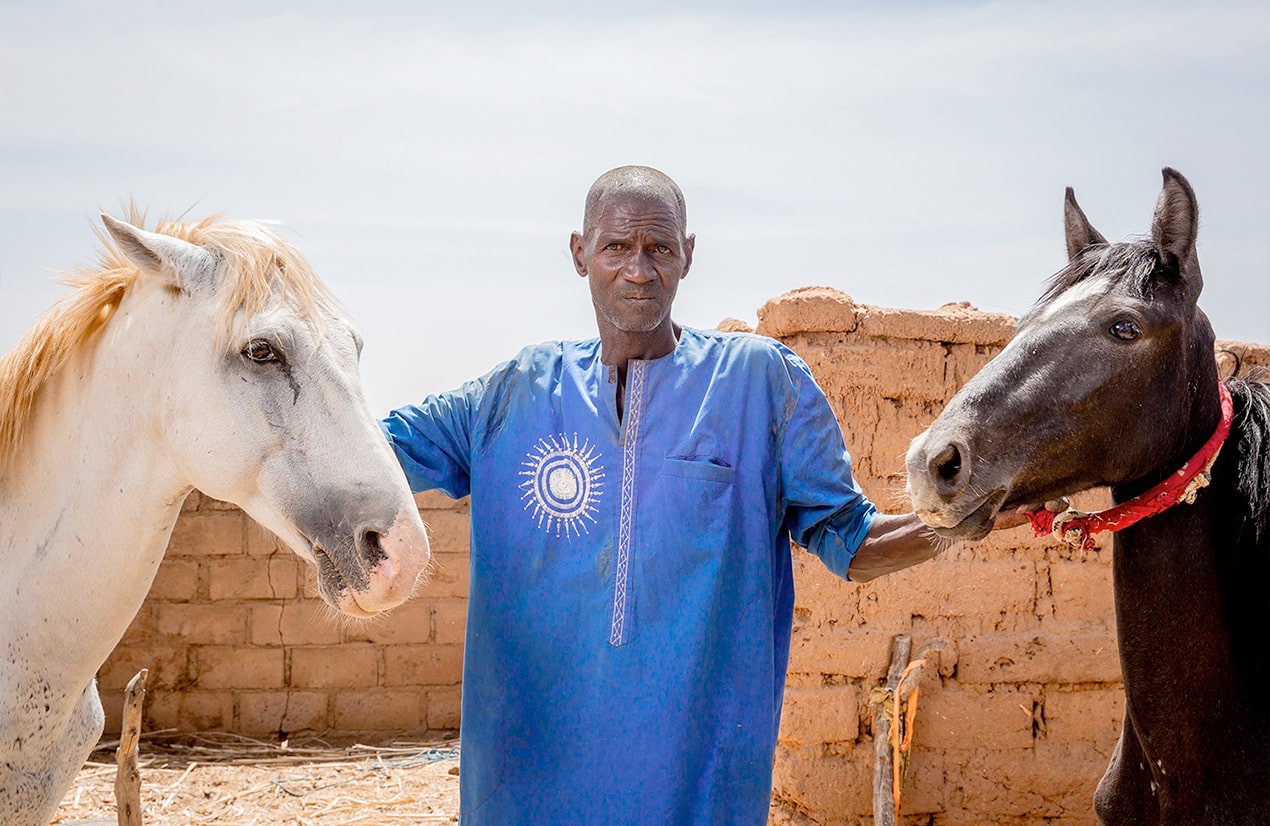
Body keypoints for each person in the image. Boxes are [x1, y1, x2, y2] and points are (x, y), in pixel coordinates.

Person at [381, 166, 1008, 824]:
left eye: (660, 248)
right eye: (617, 247)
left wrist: (980, 511)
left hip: (699, 791)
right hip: (527, 790)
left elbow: (853, 542)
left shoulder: (758, 384)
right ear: (579, 253)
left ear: (688, 255)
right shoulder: (509, 397)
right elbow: (364, 457)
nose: (639, 270)